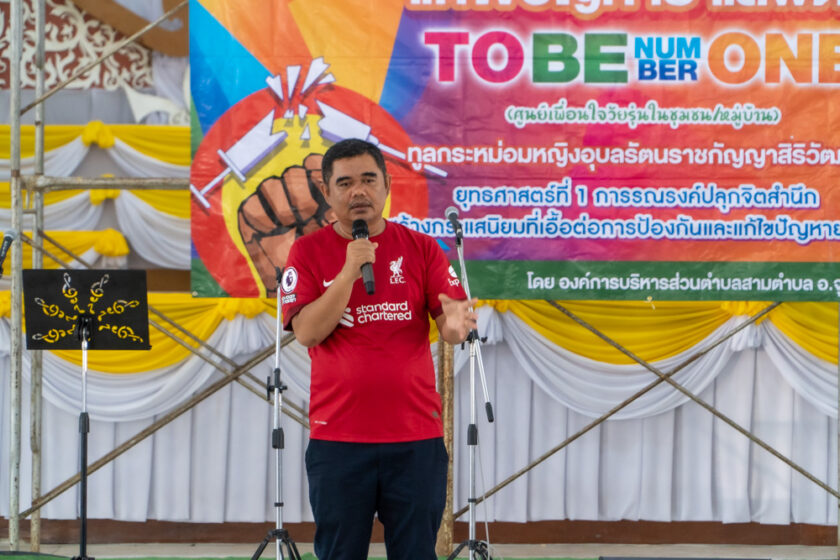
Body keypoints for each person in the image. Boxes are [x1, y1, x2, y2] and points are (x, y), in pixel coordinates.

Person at [279, 138, 477, 560]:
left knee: (415, 553)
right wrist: (349, 271)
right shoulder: (307, 251)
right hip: (339, 439)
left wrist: (457, 322)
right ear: (326, 192)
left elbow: (451, 327)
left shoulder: (422, 247)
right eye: (345, 183)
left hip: (415, 438)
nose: (359, 191)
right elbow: (307, 333)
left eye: (369, 180)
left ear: (387, 185)